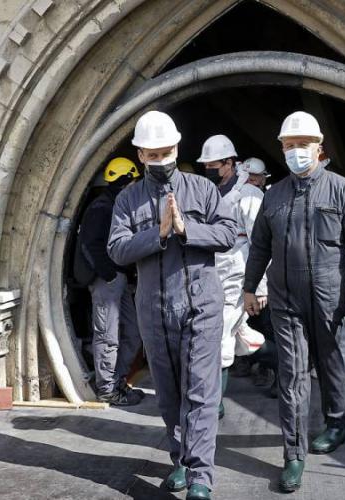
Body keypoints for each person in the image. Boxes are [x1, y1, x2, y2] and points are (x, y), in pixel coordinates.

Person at [108, 111, 237, 500]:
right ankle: (180, 459)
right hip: (154, 308)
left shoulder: (202, 189)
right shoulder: (127, 199)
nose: (160, 160)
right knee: (169, 395)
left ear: (177, 148)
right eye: (151, 154)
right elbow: (116, 249)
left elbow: (228, 232)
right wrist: (158, 233)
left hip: (201, 304)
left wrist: (186, 229)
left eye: (166, 152)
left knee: (200, 391)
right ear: (140, 155)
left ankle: (201, 477)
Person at [243, 111, 345, 493]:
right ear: (281, 149)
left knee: (330, 361)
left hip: (328, 295)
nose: (296, 151)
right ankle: (293, 455)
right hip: (285, 299)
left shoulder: (341, 190)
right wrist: (250, 288)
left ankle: (336, 423)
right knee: (293, 372)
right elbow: (259, 246)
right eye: (289, 145)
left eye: (303, 145)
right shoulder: (276, 195)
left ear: (319, 148)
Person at [197, 135, 269, 419]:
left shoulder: (249, 195)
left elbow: (262, 244)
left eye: (213, 164)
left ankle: (215, 405)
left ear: (229, 163)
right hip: (214, 275)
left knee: (221, 338)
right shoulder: (212, 192)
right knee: (242, 338)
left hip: (239, 276)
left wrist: (259, 287)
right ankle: (283, 362)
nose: (208, 169)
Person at [76, 157, 144, 405]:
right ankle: (107, 389)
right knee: (107, 335)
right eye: (133, 181)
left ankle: (118, 381)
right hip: (108, 281)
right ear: (125, 181)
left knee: (134, 333)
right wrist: (110, 274)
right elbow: (90, 245)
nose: (136, 186)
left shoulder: (116, 205)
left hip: (119, 280)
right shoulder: (101, 208)